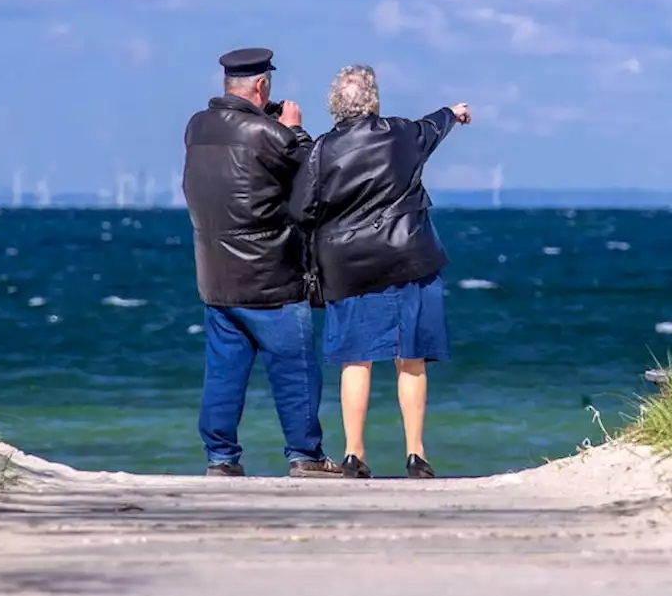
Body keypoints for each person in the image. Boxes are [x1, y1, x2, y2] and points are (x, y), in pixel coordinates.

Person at [289, 64, 470, 480]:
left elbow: (300, 210)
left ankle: (353, 454)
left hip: (348, 267)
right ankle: (415, 454)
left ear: (336, 103)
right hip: (410, 258)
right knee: (411, 359)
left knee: (356, 360)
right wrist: (453, 112)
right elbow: (433, 127)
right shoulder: (400, 133)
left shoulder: (321, 150)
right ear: (373, 100)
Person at [182, 47, 341, 479]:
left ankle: (220, 458)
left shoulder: (197, 127)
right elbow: (313, 172)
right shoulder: (269, 135)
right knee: (295, 372)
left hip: (216, 276)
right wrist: (295, 129)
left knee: (224, 375)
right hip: (271, 274)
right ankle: (305, 455)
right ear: (262, 85)